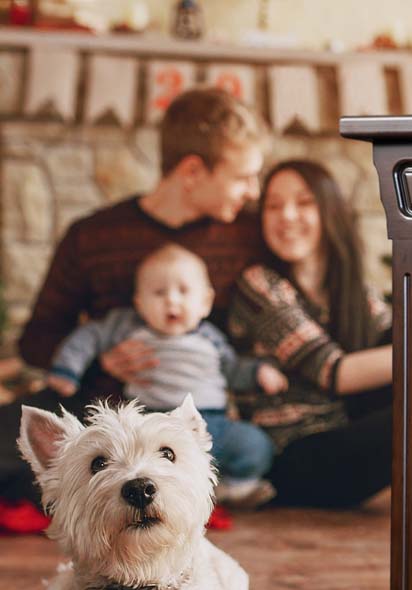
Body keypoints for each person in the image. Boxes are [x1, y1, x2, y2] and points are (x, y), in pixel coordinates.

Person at [0, 87, 271, 506]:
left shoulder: (245, 236)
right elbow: (35, 339)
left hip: (199, 421)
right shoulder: (92, 235)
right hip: (106, 418)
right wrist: (101, 360)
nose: (254, 191)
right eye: (242, 177)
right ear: (193, 171)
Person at [46, 243, 289, 507]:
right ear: (139, 303)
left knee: (254, 444)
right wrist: (67, 370)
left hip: (212, 423)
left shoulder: (210, 338)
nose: (172, 300)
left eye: (184, 292)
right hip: (148, 423)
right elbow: (87, 336)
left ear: (205, 303)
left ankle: (234, 487)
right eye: (159, 293)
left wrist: (259, 372)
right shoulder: (129, 327)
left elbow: (231, 369)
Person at [227, 160, 392, 509]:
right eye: (273, 205)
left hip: (345, 438)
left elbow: (397, 339)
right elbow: (334, 373)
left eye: (303, 202)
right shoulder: (259, 285)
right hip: (291, 458)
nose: (286, 215)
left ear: (329, 211)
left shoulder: (355, 293)